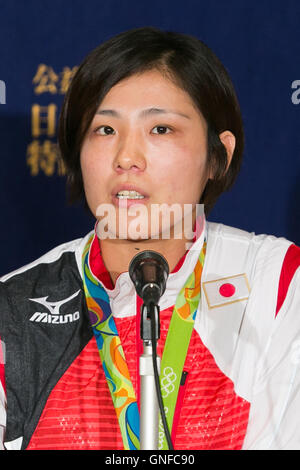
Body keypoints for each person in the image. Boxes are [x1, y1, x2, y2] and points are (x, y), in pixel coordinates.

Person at [0, 26, 300, 451]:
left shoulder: (276, 284)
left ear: (219, 155)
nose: (126, 158)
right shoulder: (11, 308)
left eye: (160, 129)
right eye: (104, 130)